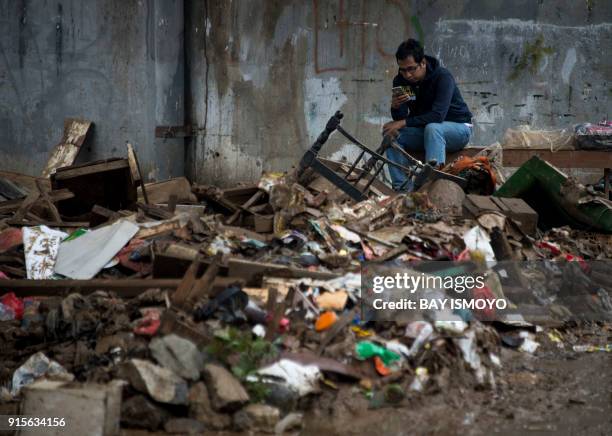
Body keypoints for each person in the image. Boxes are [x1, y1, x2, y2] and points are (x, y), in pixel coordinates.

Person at [383, 39, 473, 190]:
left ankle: (433, 187)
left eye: (411, 69)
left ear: (423, 63)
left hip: (459, 129)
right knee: (391, 133)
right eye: (403, 69)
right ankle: (402, 189)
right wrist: (396, 107)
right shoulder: (401, 81)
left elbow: (438, 116)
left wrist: (404, 122)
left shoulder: (442, 77)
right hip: (426, 131)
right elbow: (400, 118)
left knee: (433, 128)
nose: (407, 74)